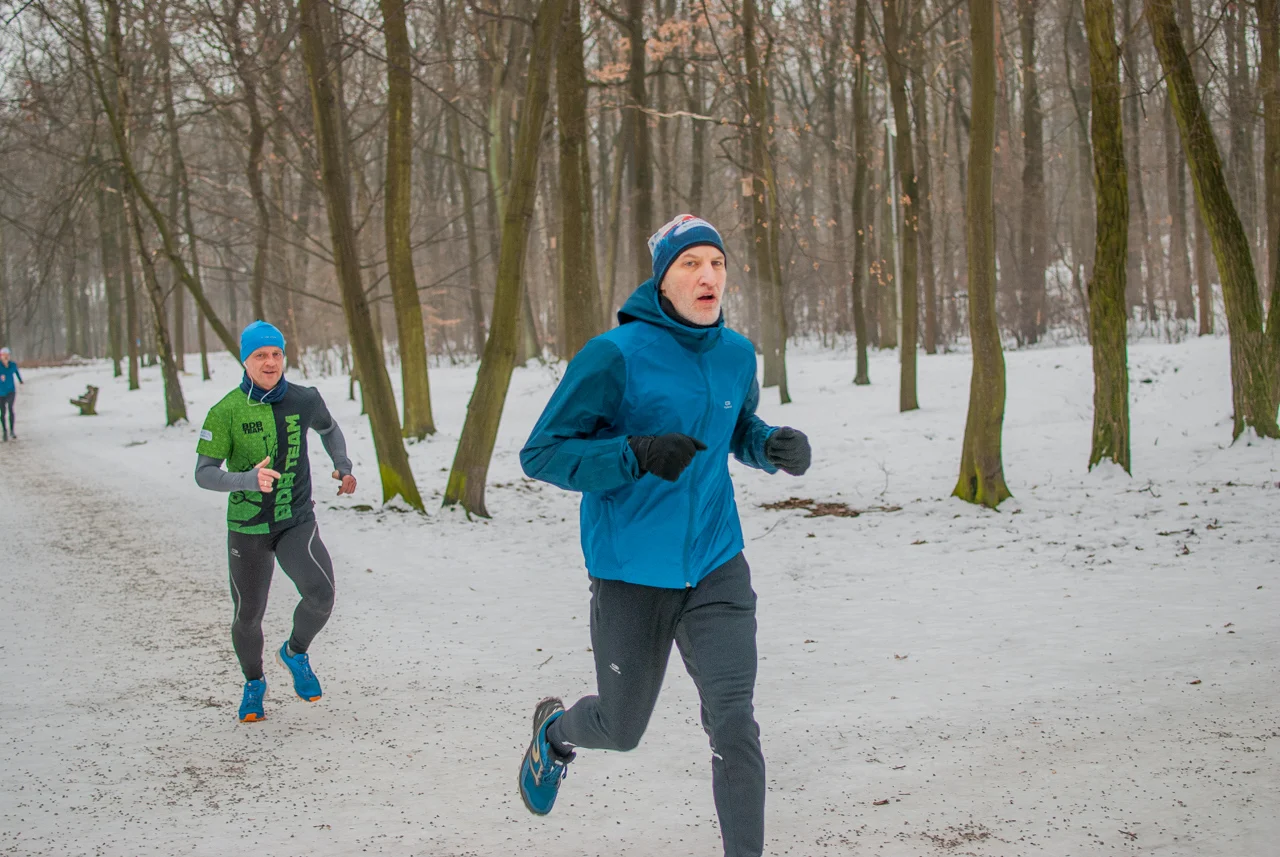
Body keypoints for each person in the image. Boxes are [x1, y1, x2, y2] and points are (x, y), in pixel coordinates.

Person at [516, 215, 812, 857]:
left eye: (717, 263)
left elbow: (735, 427)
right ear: (663, 280)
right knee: (621, 728)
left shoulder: (737, 354)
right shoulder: (614, 356)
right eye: (690, 264)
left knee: (734, 723)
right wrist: (634, 453)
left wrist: (768, 446)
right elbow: (541, 454)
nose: (709, 276)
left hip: (716, 563)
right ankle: (555, 736)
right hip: (632, 572)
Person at [194, 320, 356, 722]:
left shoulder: (305, 399)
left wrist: (342, 464)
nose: (270, 362)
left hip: (294, 519)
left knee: (321, 595)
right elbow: (204, 473)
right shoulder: (225, 412)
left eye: (277, 354)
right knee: (248, 616)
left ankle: (295, 652)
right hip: (247, 527)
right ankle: (254, 683)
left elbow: (330, 429)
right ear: (245, 361)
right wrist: (247, 479)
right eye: (260, 355)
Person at [0, 346, 24, 441]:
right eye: (4, 355)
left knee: (10, 408)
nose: (6, 357)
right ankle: (4, 431)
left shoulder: (12, 365)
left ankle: (12, 431)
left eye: (7, 355)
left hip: (11, 391)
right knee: (3, 412)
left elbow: (16, 372)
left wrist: (20, 380)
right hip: (1, 393)